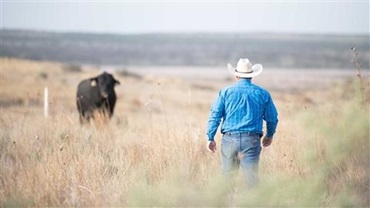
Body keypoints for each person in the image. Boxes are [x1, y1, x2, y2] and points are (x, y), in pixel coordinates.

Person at [206, 58, 278, 187]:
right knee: (251, 180)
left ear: (236, 75)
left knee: (227, 179)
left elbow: (215, 116)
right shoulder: (263, 93)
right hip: (251, 139)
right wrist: (269, 135)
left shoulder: (225, 92)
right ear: (251, 76)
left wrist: (210, 137)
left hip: (229, 139)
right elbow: (272, 118)